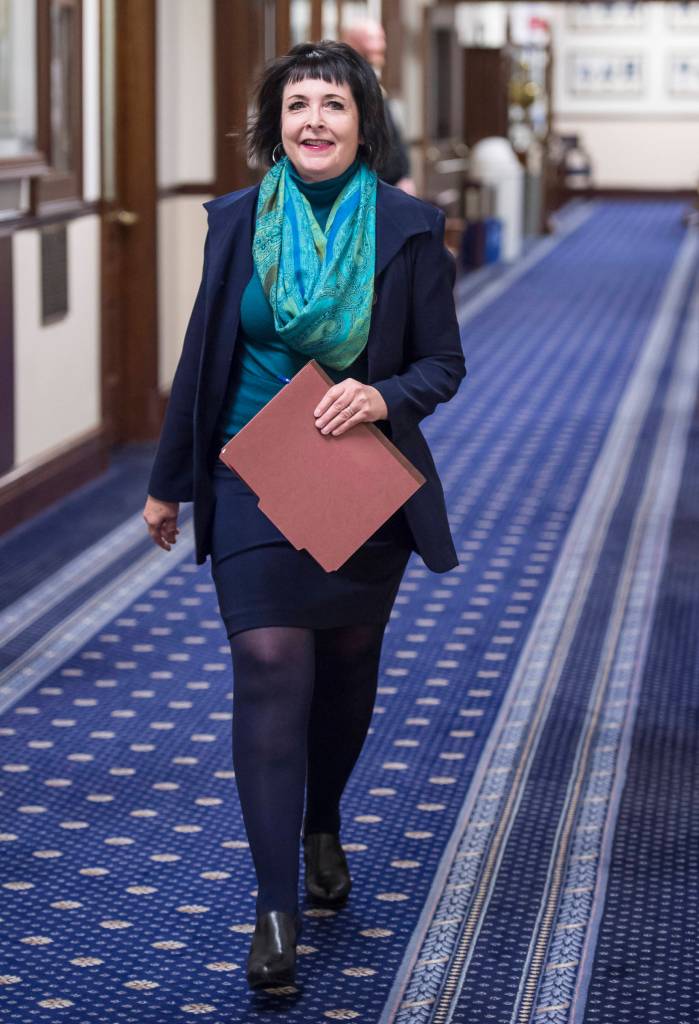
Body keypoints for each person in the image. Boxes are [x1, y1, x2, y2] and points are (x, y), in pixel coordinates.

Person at [143, 41, 465, 991]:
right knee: (270, 659)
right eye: (296, 107)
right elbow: (203, 353)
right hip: (251, 468)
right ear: (274, 125)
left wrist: (381, 397)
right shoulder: (236, 220)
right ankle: (275, 909)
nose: (313, 122)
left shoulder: (409, 228)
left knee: (346, 663)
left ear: (363, 120)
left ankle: (324, 816)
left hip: (357, 476)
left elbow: (442, 365)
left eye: (332, 104)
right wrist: (170, 481)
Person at [342, 18, 417, 195]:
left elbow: (393, 133)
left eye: (381, 38)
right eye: (373, 39)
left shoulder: (372, 79)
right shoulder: (345, 83)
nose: (380, 45)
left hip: (391, 185)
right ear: (352, 43)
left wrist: (405, 175)